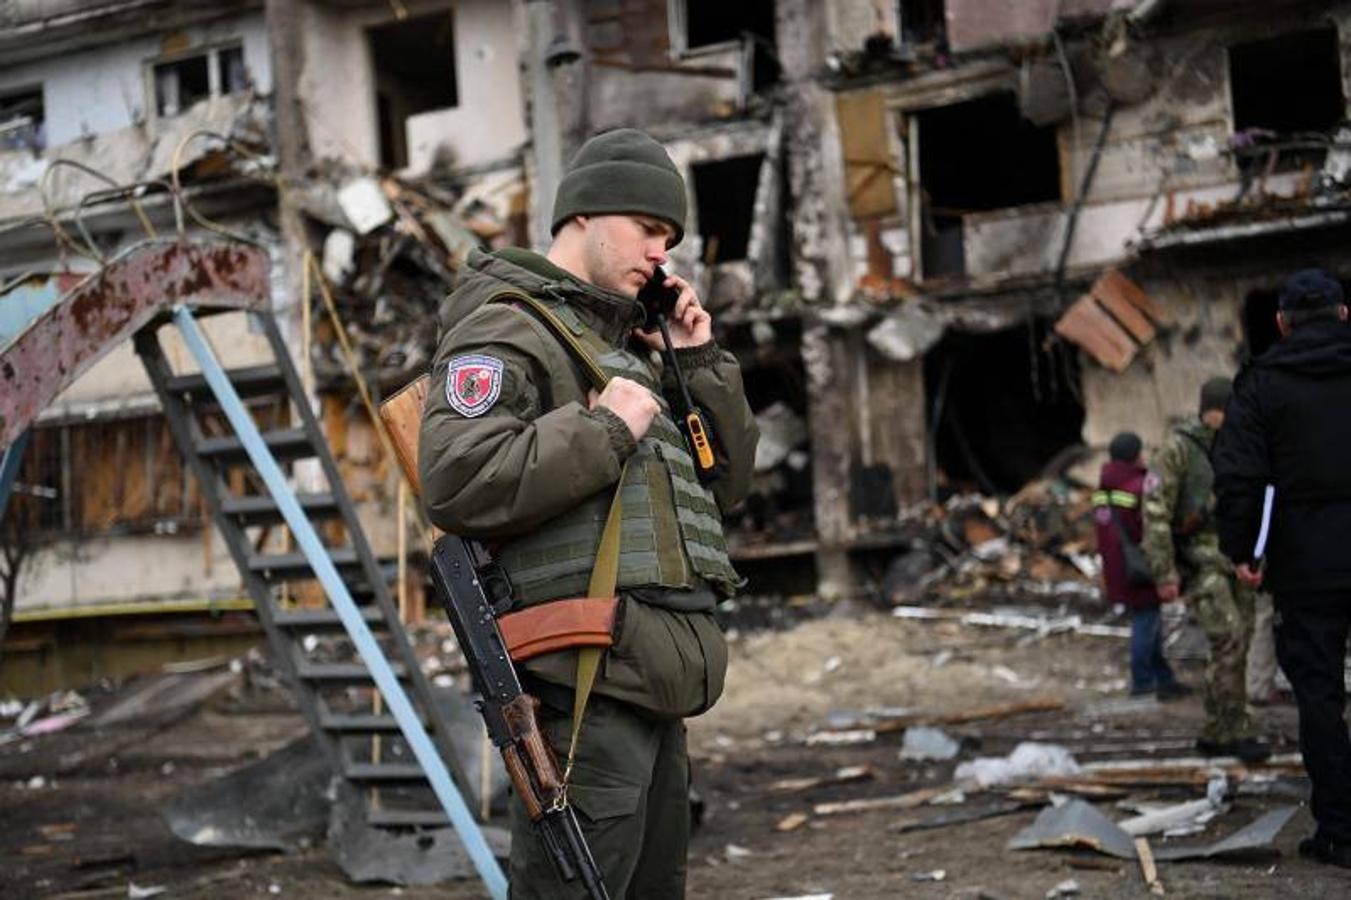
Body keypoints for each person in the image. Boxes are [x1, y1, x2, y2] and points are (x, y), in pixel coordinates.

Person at [418, 128, 758, 897]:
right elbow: (456, 478)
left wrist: (694, 358)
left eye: (668, 239)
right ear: (586, 217)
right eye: (648, 230)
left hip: (650, 683)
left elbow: (727, 486)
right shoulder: (505, 327)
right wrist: (606, 427)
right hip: (585, 692)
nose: (659, 256)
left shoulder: (629, 351)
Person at [1213, 267, 1351, 869]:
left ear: (1281, 324)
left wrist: (1244, 551)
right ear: (1344, 315)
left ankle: (1341, 832)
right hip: (1311, 563)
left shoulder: (1262, 386)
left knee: (1319, 698)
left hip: (1307, 568)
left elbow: (1241, 477)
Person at [1141, 377, 1270, 763]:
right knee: (1228, 640)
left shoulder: (1239, 445)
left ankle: (1218, 730)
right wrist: (1164, 573)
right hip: (1201, 564)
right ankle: (1235, 730)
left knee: (1238, 645)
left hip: (1237, 561)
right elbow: (1155, 513)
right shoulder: (1178, 449)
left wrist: (1257, 557)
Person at [1093, 431, 1189, 699]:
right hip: (1141, 565)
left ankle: (1163, 678)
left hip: (1117, 565)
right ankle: (1143, 682)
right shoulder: (1139, 486)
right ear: (1136, 455)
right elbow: (1152, 531)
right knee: (1146, 621)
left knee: (1149, 620)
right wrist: (1165, 568)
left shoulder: (1103, 487)